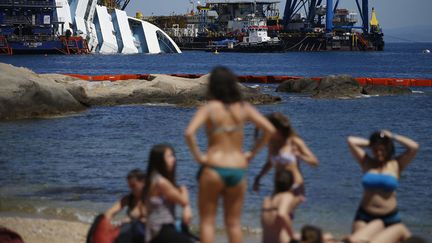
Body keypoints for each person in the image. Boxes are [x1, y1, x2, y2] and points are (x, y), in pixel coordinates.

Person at [185, 66, 276, 243]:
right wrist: (251, 153)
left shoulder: (210, 108)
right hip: (237, 168)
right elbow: (269, 130)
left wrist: (199, 157)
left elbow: (189, 133)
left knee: (208, 222)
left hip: (213, 166)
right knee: (233, 223)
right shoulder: (243, 108)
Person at [347, 130, 419, 232]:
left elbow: (414, 147)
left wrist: (392, 137)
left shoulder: (397, 164)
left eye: (382, 149)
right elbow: (351, 140)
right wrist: (375, 142)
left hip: (390, 217)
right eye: (375, 150)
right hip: (365, 215)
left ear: (388, 149)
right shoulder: (366, 161)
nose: (378, 153)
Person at [253, 112, 319, 207]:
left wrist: (300, 155)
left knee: (280, 214)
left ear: (278, 128)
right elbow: (270, 162)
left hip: (295, 184)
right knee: (272, 213)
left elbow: (314, 162)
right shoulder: (272, 142)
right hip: (278, 185)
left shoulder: (294, 141)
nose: (267, 131)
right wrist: (258, 177)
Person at [143, 144, 193, 243]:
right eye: (169, 156)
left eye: (173, 155)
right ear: (160, 160)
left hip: (157, 229)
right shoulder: (161, 182)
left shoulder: (153, 179)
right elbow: (183, 200)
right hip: (161, 229)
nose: (173, 159)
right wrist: (184, 190)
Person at [261, 170, 296, 243]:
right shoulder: (286, 196)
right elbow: (281, 214)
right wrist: (293, 237)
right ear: (291, 184)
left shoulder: (266, 200)